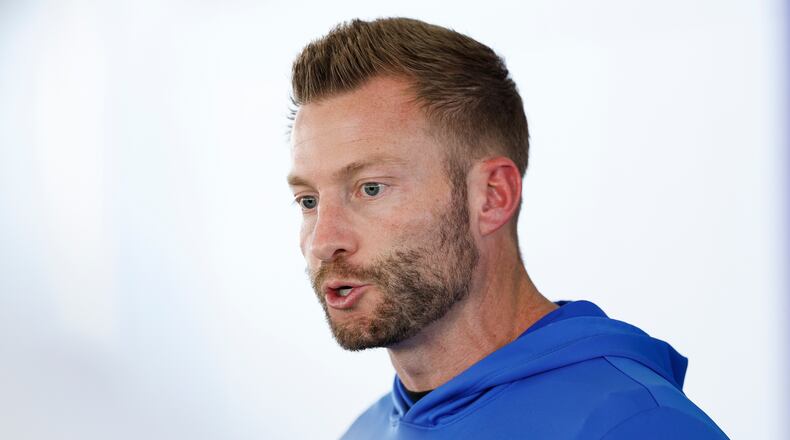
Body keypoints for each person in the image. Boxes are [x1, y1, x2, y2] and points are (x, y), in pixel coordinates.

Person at [286, 17, 728, 440]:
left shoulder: (635, 426)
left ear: (492, 196)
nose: (324, 241)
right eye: (309, 200)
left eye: (371, 189)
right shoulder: (366, 430)